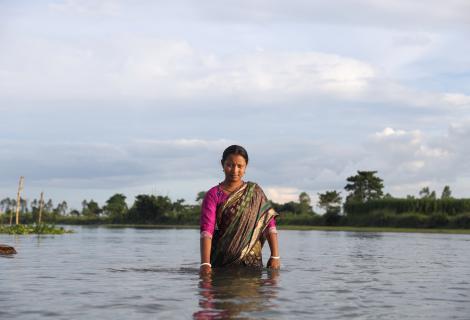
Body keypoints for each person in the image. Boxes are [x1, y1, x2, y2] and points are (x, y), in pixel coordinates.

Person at [199, 145, 280, 275]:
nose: (234, 170)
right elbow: (207, 230)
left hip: (252, 261)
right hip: (222, 262)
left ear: (246, 166)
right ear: (222, 164)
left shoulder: (255, 192)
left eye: (240, 166)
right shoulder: (213, 194)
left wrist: (275, 256)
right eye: (229, 165)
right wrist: (205, 263)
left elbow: (269, 225)